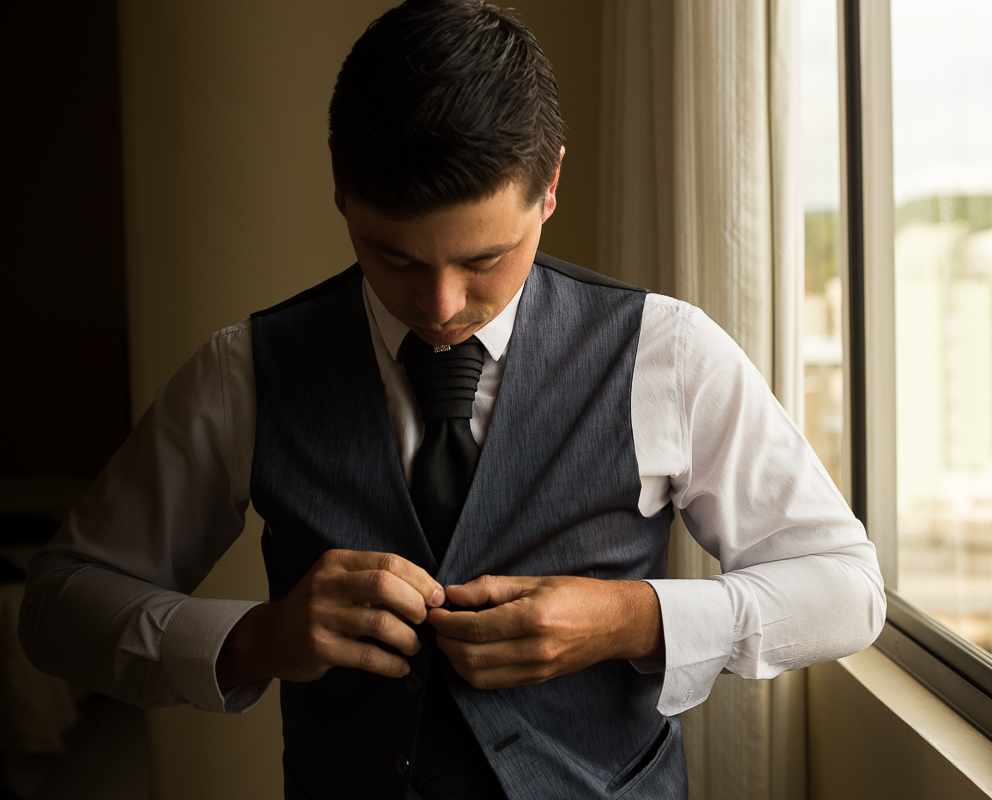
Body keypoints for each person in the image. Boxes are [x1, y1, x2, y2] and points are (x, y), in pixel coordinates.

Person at [19, 1, 885, 798]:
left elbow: (847, 591)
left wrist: (633, 619)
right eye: (392, 257)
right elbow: (58, 607)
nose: (437, 307)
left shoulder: (670, 353)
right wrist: (256, 640)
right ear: (340, 190)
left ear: (549, 185)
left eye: (482, 261)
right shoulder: (244, 371)